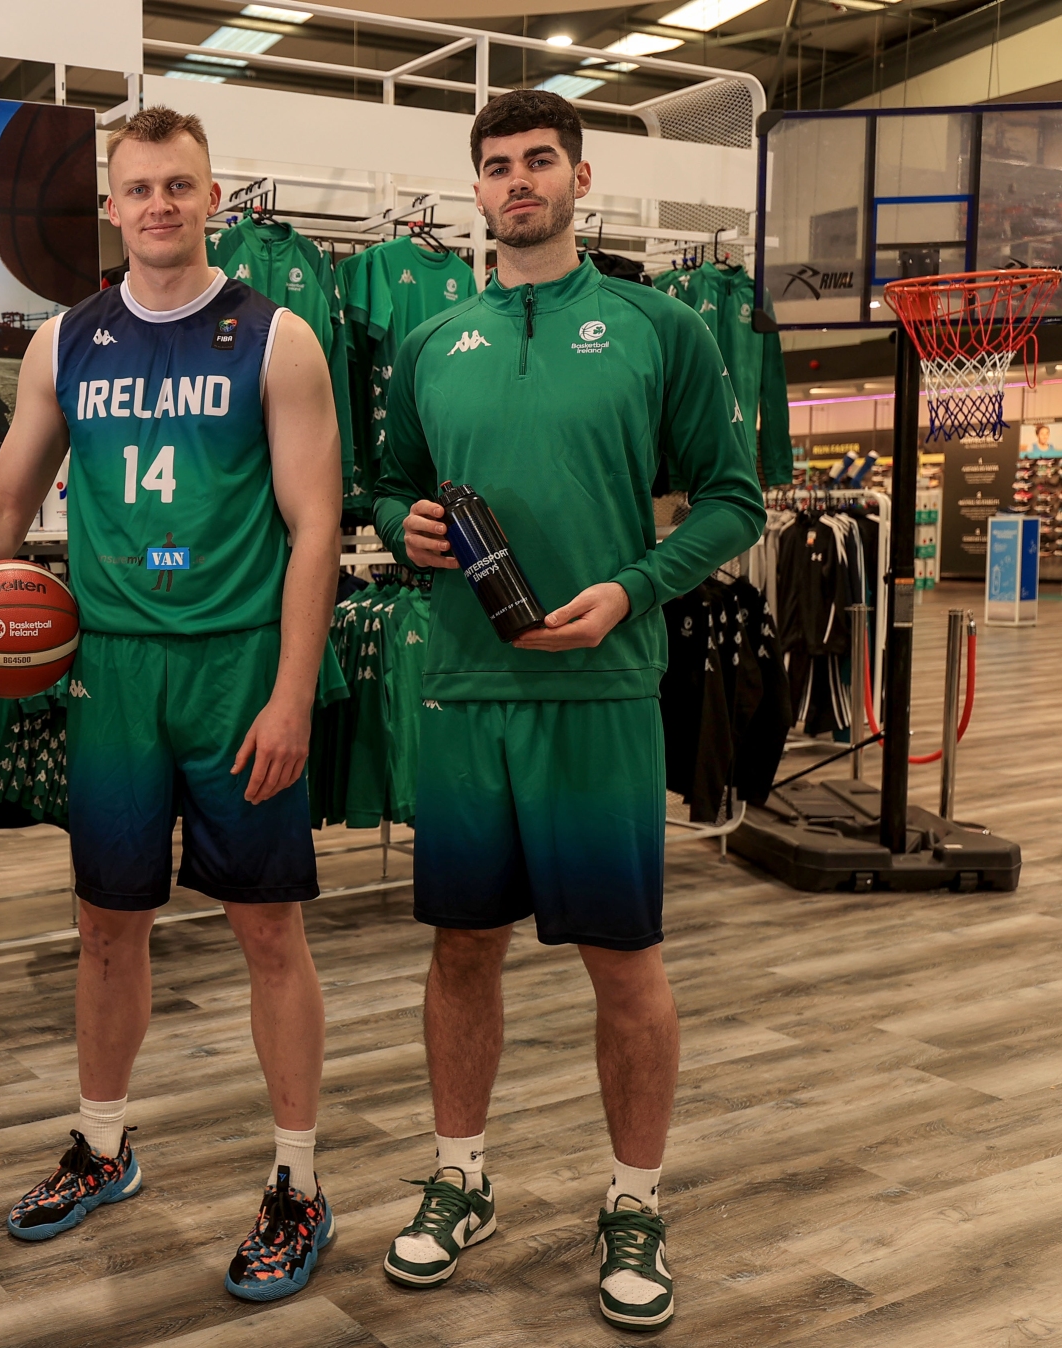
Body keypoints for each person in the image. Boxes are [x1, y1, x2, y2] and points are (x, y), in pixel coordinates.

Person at [0, 106, 344, 1304]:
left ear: (214, 198)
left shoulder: (280, 339)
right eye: (139, 187)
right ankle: (103, 1146)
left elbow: (317, 530)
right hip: (113, 670)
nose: (159, 204)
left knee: (268, 931)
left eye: (180, 185)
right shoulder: (65, 343)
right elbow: (3, 508)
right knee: (106, 924)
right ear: (111, 205)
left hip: (237, 664)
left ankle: (298, 1183)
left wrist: (295, 691)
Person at [371, 90, 765, 1330]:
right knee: (460, 951)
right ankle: (459, 1176)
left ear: (581, 180)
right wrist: (404, 526)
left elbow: (735, 499)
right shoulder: (431, 340)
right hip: (463, 688)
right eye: (497, 166)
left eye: (539, 160)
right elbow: (383, 487)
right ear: (476, 193)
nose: (518, 181)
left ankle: (634, 1202)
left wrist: (633, 586)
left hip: (600, 690)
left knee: (624, 962)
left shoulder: (658, 328)